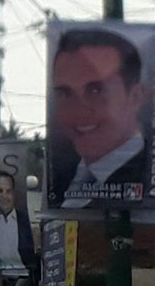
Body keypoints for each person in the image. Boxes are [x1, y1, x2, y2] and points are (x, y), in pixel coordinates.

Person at [49, 29, 147, 208]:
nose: (78, 111)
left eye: (95, 90)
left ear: (135, 97)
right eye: (65, 93)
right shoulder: (59, 181)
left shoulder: (150, 182)